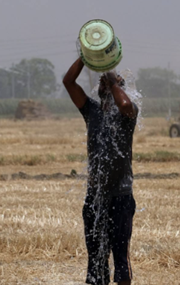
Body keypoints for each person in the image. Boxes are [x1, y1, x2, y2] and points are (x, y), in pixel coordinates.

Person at [63, 57, 138, 285]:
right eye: (103, 81)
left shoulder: (128, 114)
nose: (104, 83)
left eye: (113, 82)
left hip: (121, 198)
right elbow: (68, 82)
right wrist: (85, 57)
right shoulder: (91, 111)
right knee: (95, 262)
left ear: (119, 87)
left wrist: (112, 78)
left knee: (121, 261)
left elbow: (124, 105)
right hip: (95, 198)